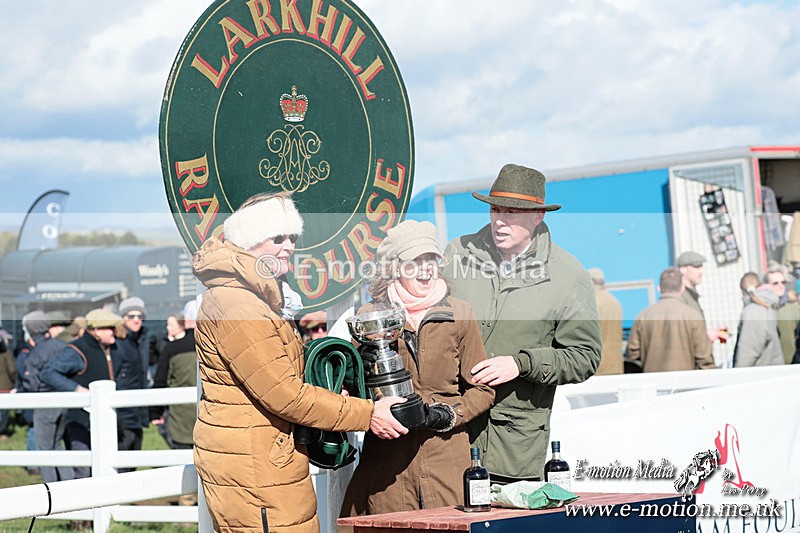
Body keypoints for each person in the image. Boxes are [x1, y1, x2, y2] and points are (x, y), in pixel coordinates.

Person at [191, 191, 408, 532]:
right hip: (256, 466)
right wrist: (368, 414)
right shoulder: (241, 306)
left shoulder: (249, 298)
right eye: (276, 238)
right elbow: (284, 395)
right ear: (249, 241)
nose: (288, 246)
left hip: (260, 457)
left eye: (291, 237)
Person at [442, 163, 601, 484]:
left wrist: (521, 364)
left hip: (511, 443)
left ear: (538, 215)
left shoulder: (568, 275)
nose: (501, 220)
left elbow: (585, 357)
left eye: (513, 212)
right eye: (496, 209)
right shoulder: (457, 254)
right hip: (446, 435)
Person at [341, 220, 495, 516]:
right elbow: (354, 384)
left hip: (446, 457)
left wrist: (449, 414)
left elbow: (482, 388)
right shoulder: (368, 317)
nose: (425, 269)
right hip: (388, 465)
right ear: (396, 267)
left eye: (431, 260)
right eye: (414, 261)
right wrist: (364, 406)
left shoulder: (460, 313)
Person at [40, 309, 122, 478]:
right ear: (96, 331)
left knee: (111, 465)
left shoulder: (115, 348)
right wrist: (78, 390)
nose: (114, 331)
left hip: (109, 418)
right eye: (109, 328)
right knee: (84, 469)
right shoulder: (77, 350)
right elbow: (49, 372)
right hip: (80, 420)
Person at [150, 313, 199, 506]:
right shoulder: (215, 343)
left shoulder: (172, 348)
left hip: (181, 416)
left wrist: (155, 412)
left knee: (184, 459)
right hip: (209, 411)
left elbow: (161, 380)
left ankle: (187, 508)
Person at [626, 267, 715, 372]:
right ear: (682, 288)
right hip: (685, 384)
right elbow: (704, 358)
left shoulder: (643, 316)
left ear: (659, 288)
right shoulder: (693, 316)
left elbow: (633, 353)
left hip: (653, 383)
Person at [24, 311, 76, 482]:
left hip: (45, 402)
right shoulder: (61, 345)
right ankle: (69, 486)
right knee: (57, 445)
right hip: (65, 401)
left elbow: (31, 383)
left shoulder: (36, 352)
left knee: (44, 450)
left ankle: (51, 491)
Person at [733, 271, 784, 367]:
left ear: (744, 291)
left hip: (759, 375)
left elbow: (748, 352)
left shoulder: (754, 311)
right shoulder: (768, 305)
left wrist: (737, 376)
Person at [676, 251, 727, 343]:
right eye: (696, 267)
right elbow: (681, 333)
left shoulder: (691, 296)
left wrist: (712, 334)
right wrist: (707, 335)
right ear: (682, 270)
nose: (701, 271)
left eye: (701, 267)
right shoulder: (680, 297)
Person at [588, 268, 624, 375]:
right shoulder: (615, 301)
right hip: (616, 365)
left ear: (591, 281)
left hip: (598, 368)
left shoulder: (592, 301)